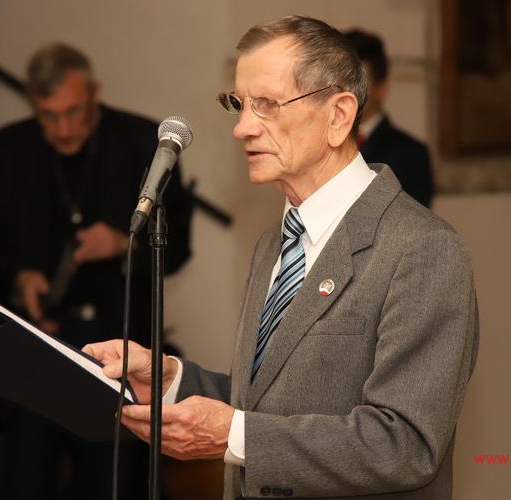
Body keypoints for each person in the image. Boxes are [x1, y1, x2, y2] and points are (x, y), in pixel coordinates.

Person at [85, 15, 478, 499]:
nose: (242, 128)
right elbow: (271, 401)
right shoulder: (275, 242)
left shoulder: (421, 248)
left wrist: (234, 436)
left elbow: (405, 445)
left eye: (267, 105)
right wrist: (174, 380)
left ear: (338, 115)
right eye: (239, 104)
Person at [0, 43, 192, 499]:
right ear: (33, 103)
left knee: (113, 479)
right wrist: (18, 279)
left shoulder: (142, 145)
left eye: (73, 112)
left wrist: (120, 244)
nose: (64, 129)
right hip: (36, 345)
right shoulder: (4, 151)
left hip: (118, 343)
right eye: (49, 116)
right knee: (26, 476)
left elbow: (179, 249)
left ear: (93, 93)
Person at [343, 29, 435, 208]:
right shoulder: (321, 145)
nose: (348, 93)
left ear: (382, 88)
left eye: (359, 83)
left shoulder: (410, 155)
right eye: (341, 82)